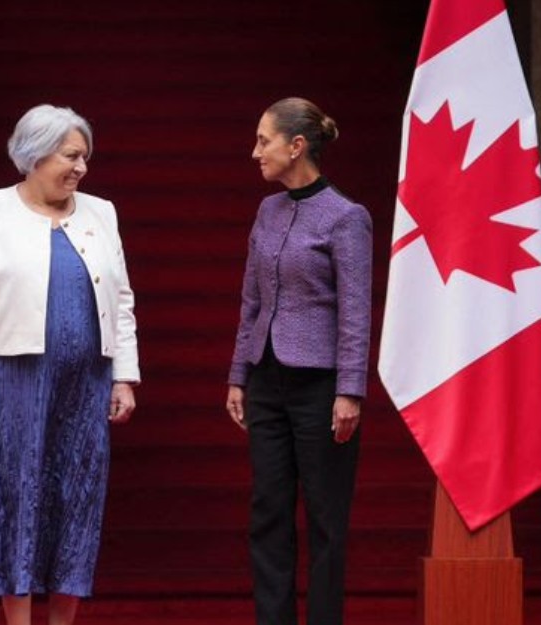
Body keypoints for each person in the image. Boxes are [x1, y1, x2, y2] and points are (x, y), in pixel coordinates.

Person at [0, 104, 140, 625]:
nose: (81, 167)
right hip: (13, 381)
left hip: (87, 382)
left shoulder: (102, 211)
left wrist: (124, 375)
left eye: (85, 157)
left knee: (77, 497)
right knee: (16, 498)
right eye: (71, 155)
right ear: (35, 155)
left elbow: (121, 299)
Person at [225, 97, 372, 625]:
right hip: (267, 379)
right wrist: (239, 374)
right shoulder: (268, 210)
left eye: (263, 141)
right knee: (268, 512)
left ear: (296, 146)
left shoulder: (347, 217)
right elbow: (252, 301)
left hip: (321, 387)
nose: (255, 151)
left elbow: (355, 311)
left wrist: (350, 391)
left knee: (326, 519)